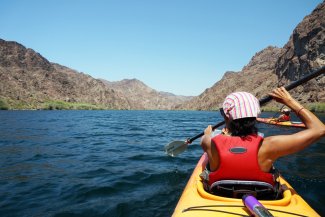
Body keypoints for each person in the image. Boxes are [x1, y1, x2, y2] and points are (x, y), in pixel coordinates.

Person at [200, 87, 325, 198]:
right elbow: (319, 129)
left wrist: (209, 133)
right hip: (265, 198)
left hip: (219, 197)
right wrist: (289, 101)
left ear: (227, 116)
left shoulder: (209, 143)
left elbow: (207, 138)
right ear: (255, 115)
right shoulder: (270, 145)